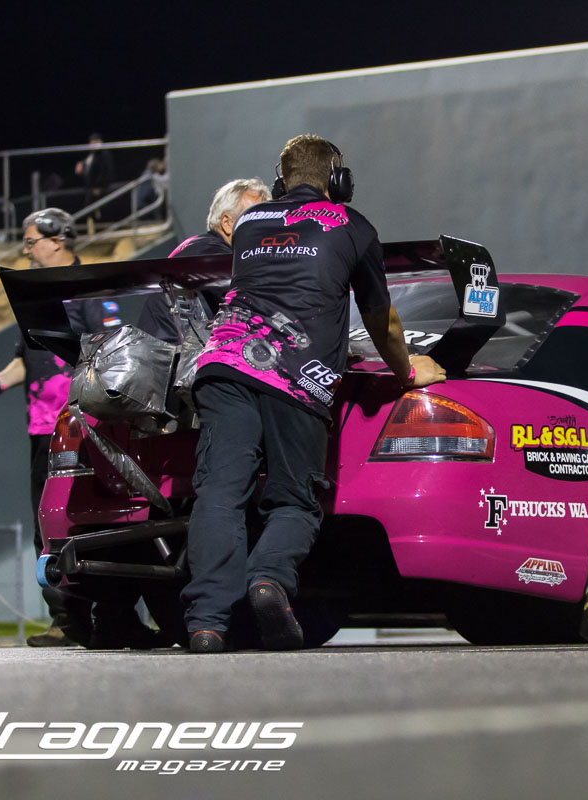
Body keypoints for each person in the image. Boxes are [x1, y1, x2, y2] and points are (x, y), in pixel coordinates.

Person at [181, 135, 446, 652]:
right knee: (295, 501)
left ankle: (207, 623)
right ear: (340, 181)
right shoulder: (354, 226)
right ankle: (269, 580)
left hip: (225, 363)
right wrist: (407, 371)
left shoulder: (250, 222)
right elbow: (382, 319)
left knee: (220, 493)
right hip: (297, 377)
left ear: (279, 182)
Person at [0, 208, 155, 648]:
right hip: (42, 431)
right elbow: (25, 360)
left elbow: (115, 352)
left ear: (58, 240)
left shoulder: (89, 291)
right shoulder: (39, 297)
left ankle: (113, 616)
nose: (26, 250)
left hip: (83, 429)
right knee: (46, 526)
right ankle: (66, 621)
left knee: (96, 522)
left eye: (31, 241)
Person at [137, 178, 269, 344]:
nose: (266, 232)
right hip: (172, 352)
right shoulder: (212, 255)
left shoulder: (196, 245)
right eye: (256, 221)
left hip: (164, 347)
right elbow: (251, 299)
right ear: (227, 223)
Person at [75, 132, 114, 230]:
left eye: (96, 141)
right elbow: (89, 170)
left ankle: (103, 230)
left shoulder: (104, 154)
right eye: (92, 142)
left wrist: (99, 186)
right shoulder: (91, 155)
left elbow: (107, 172)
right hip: (90, 189)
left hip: (100, 189)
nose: (93, 144)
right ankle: (92, 230)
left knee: (101, 211)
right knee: (90, 211)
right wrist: (82, 167)